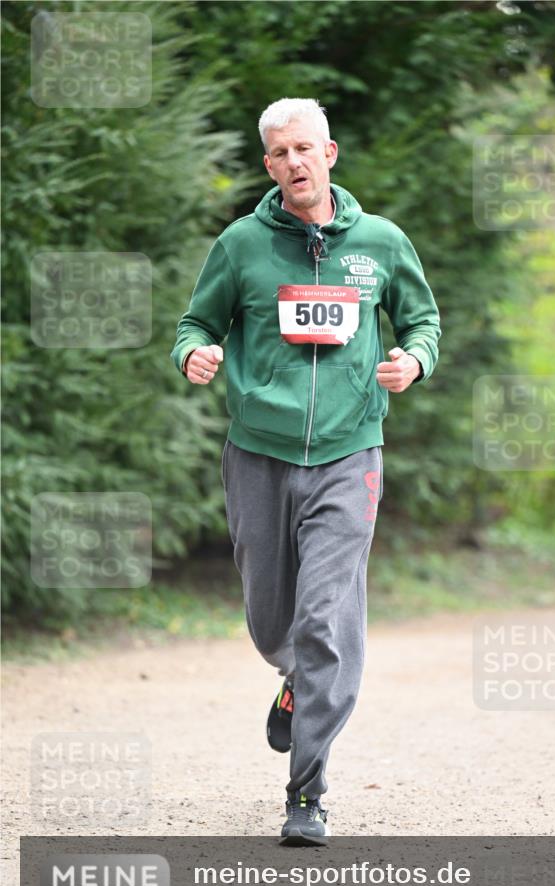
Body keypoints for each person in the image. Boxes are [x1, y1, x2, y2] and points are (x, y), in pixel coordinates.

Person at [171, 98, 440, 845]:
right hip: (257, 451)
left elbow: (422, 321)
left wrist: (411, 361)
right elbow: (197, 322)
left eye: (305, 148)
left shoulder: (380, 244)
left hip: (350, 453)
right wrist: (192, 352)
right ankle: (293, 678)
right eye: (280, 152)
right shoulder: (240, 245)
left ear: (329, 154)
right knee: (271, 620)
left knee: (326, 620)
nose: (295, 161)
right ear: (269, 165)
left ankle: (307, 791)